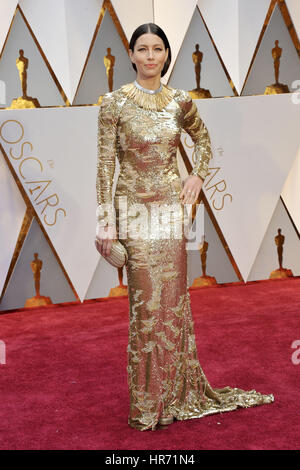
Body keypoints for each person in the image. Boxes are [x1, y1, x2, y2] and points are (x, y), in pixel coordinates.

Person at [95, 23, 274, 432]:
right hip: (134, 214)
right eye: (142, 49)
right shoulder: (114, 103)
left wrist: (197, 176)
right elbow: (105, 166)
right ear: (131, 54)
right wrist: (107, 222)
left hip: (171, 215)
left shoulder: (180, 101)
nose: (150, 56)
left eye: (158, 49)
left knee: (173, 307)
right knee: (145, 309)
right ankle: (146, 406)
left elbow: (205, 142)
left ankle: (173, 397)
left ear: (166, 55)